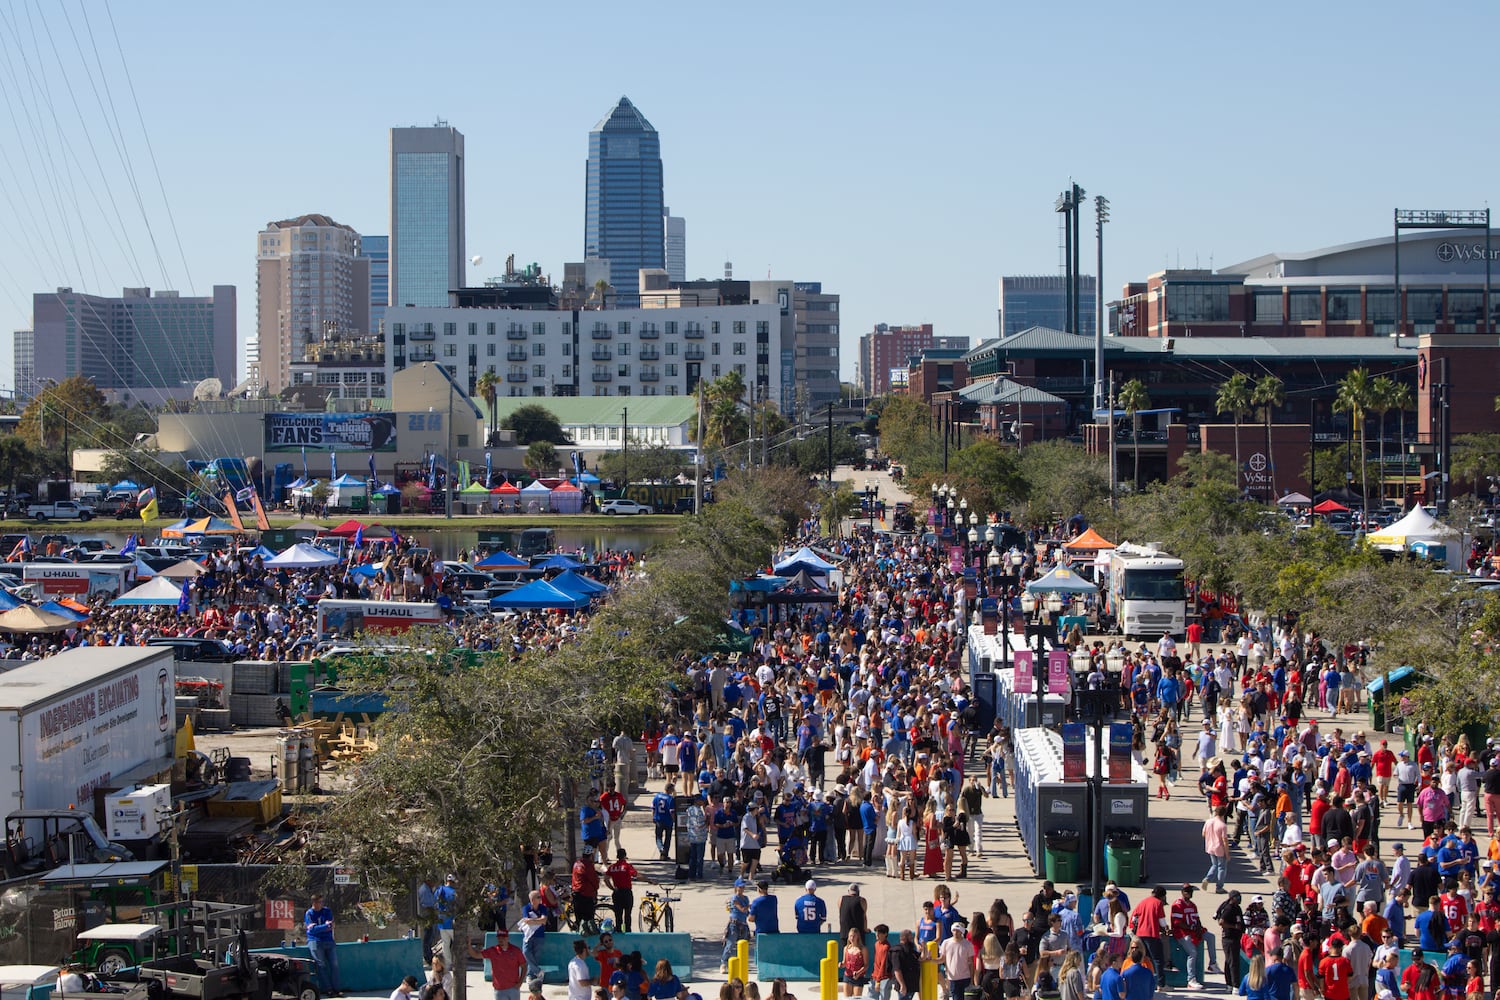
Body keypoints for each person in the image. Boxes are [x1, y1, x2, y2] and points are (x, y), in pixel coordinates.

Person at [1129, 886, 1169, 992]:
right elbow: (1162, 921)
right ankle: (1161, 984)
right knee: (1158, 960)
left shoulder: (1143, 902)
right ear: (1162, 896)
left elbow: (1134, 918)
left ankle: (1143, 982)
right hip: (1152, 934)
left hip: (1140, 935)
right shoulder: (1158, 903)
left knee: (1143, 959)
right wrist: (1166, 929)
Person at [471, 935, 529, 1000]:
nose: (501, 940)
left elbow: (524, 966)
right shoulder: (493, 951)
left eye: (503, 938)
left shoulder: (516, 950)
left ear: (507, 938)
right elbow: (475, 955)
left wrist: (520, 982)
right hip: (500, 989)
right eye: (499, 938)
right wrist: (468, 945)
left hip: (513, 988)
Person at [517, 889, 550, 986]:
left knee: (536, 956)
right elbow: (527, 921)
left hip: (539, 935)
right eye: (538, 897)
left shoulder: (543, 908)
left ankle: (530, 975)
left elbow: (544, 920)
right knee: (526, 952)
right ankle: (539, 971)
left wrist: (534, 921)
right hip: (528, 935)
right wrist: (538, 920)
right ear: (532, 899)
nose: (540, 899)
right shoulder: (526, 908)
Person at [605, 849, 639, 933]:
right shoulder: (627, 866)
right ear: (624, 856)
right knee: (627, 914)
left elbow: (606, 879)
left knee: (618, 915)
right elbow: (636, 875)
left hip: (617, 892)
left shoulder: (612, 867)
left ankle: (619, 931)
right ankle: (627, 931)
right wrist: (649, 880)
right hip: (626, 892)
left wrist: (612, 888)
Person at [939, 922, 975, 1000]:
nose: (955, 932)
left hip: (965, 977)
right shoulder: (946, 943)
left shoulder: (968, 945)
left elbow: (971, 963)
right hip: (953, 979)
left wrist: (972, 979)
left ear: (962, 931)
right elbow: (942, 959)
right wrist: (932, 960)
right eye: (954, 930)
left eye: (958, 930)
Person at [1203, 806, 1230, 893]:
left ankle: (1208, 878)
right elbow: (1225, 841)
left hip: (1210, 846)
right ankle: (1219, 887)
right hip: (1219, 848)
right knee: (1222, 867)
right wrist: (1228, 854)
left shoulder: (1209, 821)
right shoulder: (1223, 825)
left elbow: (1203, 834)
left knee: (1214, 865)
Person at [843, 928, 870, 998]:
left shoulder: (863, 949)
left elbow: (866, 965)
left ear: (858, 937)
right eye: (850, 936)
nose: (852, 938)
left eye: (854, 936)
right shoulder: (846, 948)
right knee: (847, 998)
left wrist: (858, 972)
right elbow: (844, 962)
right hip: (847, 976)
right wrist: (841, 964)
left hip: (858, 977)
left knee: (857, 998)